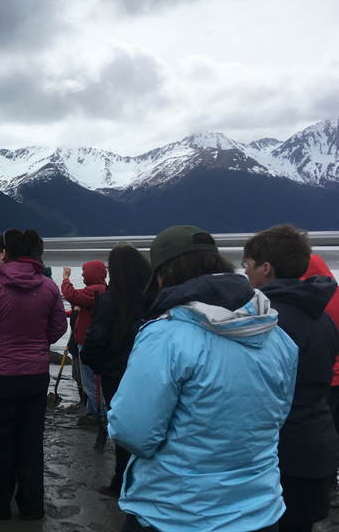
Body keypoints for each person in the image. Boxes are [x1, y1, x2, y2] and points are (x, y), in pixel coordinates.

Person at [109, 225, 298, 532]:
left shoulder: (166, 336)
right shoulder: (277, 335)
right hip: (260, 510)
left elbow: (133, 432)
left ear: (166, 275)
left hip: (177, 513)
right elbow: (277, 416)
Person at [0, 228, 67, 521]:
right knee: (31, 441)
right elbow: (58, 327)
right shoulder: (48, 287)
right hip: (35, 375)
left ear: (4, 253)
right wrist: (36, 342)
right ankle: (32, 507)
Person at [243, 224, 339, 532]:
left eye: (248, 264)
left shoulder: (265, 321)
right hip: (316, 448)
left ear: (265, 268)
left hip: (280, 455)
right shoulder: (320, 316)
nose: (245, 271)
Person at [79, 242, 153, 495]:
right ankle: (140, 477)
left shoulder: (111, 300)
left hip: (116, 373)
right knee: (147, 423)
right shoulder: (153, 298)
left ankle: (121, 481)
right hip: (147, 370)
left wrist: (93, 361)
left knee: (122, 425)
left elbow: (96, 337)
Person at [304, 254, 339, 504]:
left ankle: (326, 483)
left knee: (321, 431)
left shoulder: (309, 302)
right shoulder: (335, 295)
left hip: (324, 377)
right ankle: (333, 484)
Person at [60, 260, 107, 424]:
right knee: (92, 380)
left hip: (88, 343)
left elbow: (72, 295)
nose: (82, 275)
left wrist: (65, 279)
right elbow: (77, 302)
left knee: (90, 382)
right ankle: (93, 411)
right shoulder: (98, 290)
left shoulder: (96, 290)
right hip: (86, 342)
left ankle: (97, 415)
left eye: (84, 272)